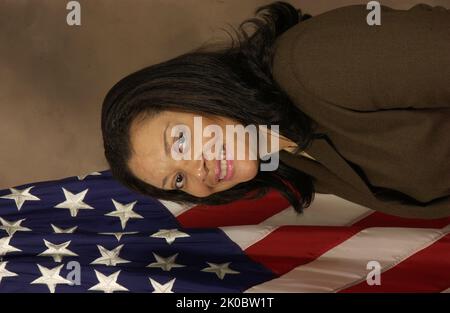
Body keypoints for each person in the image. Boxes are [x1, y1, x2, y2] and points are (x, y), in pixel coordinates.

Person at [101, 1, 450, 219]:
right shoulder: (290, 157)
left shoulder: (311, 62)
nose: (198, 170)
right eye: (177, 180)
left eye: (178, 142)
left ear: (192, 92)